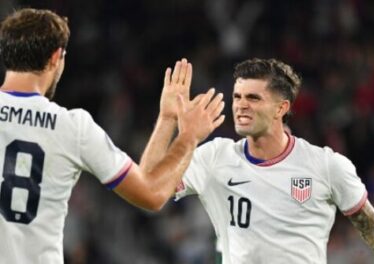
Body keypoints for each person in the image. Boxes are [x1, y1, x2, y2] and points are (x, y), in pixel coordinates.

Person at [0, 8, 225, 263]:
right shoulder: (73, 127)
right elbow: (152, 194)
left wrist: (166, 119)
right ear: (56, 58)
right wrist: (189, 136)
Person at [153, 58, 374, 263]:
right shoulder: (215, 157)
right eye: (237, 97)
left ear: (281, 108)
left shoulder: (325, 166)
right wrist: (167, 120)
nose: (240, 106)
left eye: (253, 98)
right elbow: (151, 184)